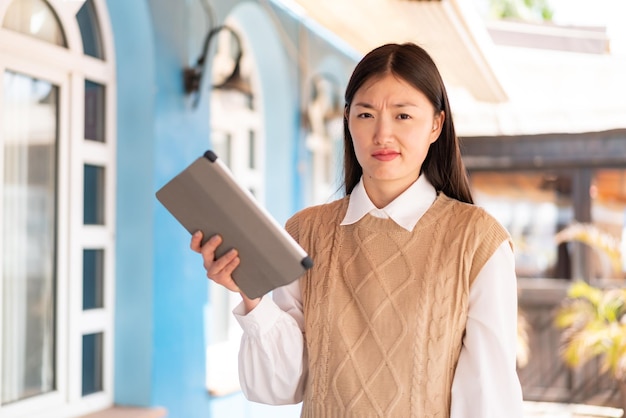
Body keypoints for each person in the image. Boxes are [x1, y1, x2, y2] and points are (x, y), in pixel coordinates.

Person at [191, 42, 524, 417]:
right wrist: (251, 294)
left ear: (436, 124)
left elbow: (489, 399)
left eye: (402, 116)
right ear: (348, 120)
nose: (382, 134)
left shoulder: (477, 241)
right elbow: (281, 385)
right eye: (366, 115)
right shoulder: (307, 231)